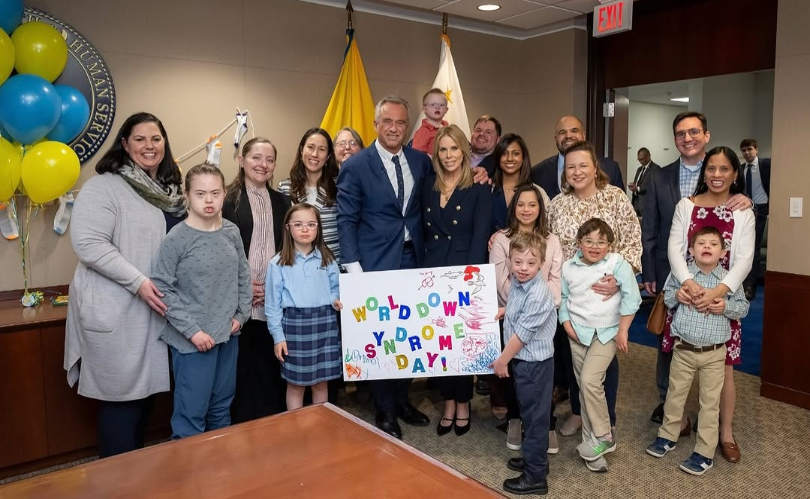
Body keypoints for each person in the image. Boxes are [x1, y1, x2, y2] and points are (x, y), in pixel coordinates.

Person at [65, 112, 186, 457]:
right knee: (122, 401)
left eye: (156, 138)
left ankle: (134, 481)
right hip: (116, 309)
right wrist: (139, 282)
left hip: (153, 310)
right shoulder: (104, 186)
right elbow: (88, 243)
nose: (150, 146)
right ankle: (116, 483)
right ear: (124, 144)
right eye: (140, 139)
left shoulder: (167, 191)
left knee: (144, 399)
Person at [642, 112, 752, 426]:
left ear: (706, 135)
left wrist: (745, 200)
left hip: (718, 276)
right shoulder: (659, 176)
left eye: (693, 132)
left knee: (717, 350)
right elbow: (651, 226)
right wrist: (650, 271)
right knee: (669, 342)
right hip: (673, 274)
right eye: (680, 133)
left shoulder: (721, 173)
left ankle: (711, 417)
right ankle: (669, 404)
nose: (687, 138)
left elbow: (740, 230)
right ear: (674, 138)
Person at [337, 95, 433, 438]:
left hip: (414, 260)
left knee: (409, 337)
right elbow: (346, 219)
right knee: (382, 339)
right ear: (376, 125)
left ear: (407, 127)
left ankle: (402, 398)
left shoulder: (421, 162)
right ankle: (384, 407)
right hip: (374, 265)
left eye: (400, 123)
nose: (394, 128)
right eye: (387, 122)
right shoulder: (356, 165)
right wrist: (354, 271)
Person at [546, 141, 641, 472]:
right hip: (573, 303)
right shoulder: (557, 204)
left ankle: (606, 426)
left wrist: (620, 277)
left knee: (600, 373)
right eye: (570, 167)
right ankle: (585, 425)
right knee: (577, 370)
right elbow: (545, 244)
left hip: (605, 302)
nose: (576, 172)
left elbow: (631, 238)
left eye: (582, 165)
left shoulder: (614, 197)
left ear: (594, 166)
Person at [665, 145, 755, 463]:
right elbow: (676, 249)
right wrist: (688, 284)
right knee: (683, 366)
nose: (717, 175)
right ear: (704, 172)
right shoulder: (686, 205)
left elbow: (744, 259)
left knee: (724, 371)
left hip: (724, 299)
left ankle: (724, 433)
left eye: (724, 169)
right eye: (711, 169)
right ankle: (676, 425)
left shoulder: (743, 210)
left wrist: (719, 292)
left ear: (734, 174)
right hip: (688, 295)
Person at [151, 163, 251, 439]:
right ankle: (190, 478)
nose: (209, 200)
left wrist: (241, 316)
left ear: (223, 195)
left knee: (221, 410)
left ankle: (217, 476)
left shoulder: (231, 231)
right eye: (201, 194)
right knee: (191, 416)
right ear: (187, 196)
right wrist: (193, 332)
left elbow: (243, 274)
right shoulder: (178, 238)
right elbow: (162, 287)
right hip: (193, 341)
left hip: (227, 334)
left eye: (215, 193)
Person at [647, 226, 749, 476]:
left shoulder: (728, 281)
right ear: (691, 250)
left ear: (723, 252)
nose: (707, 247)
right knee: (675, 395)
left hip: (714, 353)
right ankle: (668, 435)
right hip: (683, 349)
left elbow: (743, 308)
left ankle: (704, 452)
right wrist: (678, 296)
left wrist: (725, 306)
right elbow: (667, 298)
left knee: (709, 403)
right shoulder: (682, 275)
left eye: (713, 244)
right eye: (701, 243)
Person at [421, 124, 491, 437]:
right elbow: (423, 233)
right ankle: (447, 401)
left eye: (454, 148)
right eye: (443, 149)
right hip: (433, 272)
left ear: (464, 151)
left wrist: (472, 282)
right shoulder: (428, 185)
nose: (449, 155)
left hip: (464, 273)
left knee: (463, 343)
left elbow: (480, 236)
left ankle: (463, 403)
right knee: (440, 342)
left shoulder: (478, 189)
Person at [559, 218, 641, 471]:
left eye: (601, 242)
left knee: (589, 381)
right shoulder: (568, 267)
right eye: (589, 241)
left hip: (606, 334)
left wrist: (623, 331)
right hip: (577, 333)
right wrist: (566, 324)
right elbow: (563, 298)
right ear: (579, 243)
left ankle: (605, 435)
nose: (595, 247)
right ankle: (592, 450)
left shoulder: (617, 264)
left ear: (610, 245)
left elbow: (633, 298)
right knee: (585, 391)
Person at [489, 183, 562, 452]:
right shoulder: (501, 239)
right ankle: (518, 423)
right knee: (517, 382)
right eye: (521, 204)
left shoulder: (552, 239)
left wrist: (539, 303)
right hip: (511, 312)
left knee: (539, 387)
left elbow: (556, 279)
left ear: (540, 208)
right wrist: (515, 306)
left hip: (541, 317)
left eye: (532, 204)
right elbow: (502, 281)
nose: (526, 209)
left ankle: (541, 435)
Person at [223, 137, 292, 423]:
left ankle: (270, 424)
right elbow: (219, 249)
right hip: (238, 298)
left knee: (269, 365)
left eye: (270, 159)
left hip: (273, 298)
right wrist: (242, 285)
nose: (263, 165)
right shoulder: (227, 199)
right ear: (241, 160)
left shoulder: (283, 201)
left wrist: (275, 288)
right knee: (241, 368)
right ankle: (242, 428)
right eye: (256, 158)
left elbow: (289, 249)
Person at [490, 232, 557, 496]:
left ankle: (535, 476)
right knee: (530, 413)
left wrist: (502, 360)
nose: (523, 268)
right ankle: (534, 459)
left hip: (534, 364)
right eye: (517, 262)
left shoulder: (539, 292)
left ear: (541, 262)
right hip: (524, 362)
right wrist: (507, 310)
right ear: (509, 260)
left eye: (530, 264)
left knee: (535, 418)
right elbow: (520, 309)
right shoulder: (520, 283)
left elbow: (523, 335)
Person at [265, 203, 343, 410]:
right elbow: (272, 306)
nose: (305, 229)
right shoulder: (278, 263)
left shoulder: (328, 259)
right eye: (298, 224)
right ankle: (296, 430)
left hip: (325, 325)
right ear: (288, 228)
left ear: (318, 228)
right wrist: (278, 338)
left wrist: (335, 299)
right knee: (296, 385)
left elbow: (336, 289)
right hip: (294, 327)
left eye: (311, 224)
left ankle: (321, 426)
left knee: (321, 382)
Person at [278, 128, 341, 264]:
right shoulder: (285, 187)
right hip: (297, 268)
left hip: (333, 267)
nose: (315, 154)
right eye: (310, 147)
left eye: (322, 149)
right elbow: (283, 232)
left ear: (329, 156)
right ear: (301, 151)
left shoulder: (339, 186)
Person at [531, 116, 625, 199]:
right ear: (556, 138)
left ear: (583, 135)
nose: (568, 136)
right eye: (562, 132)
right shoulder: (538, 172)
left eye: (574, 131)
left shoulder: (611, 168)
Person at [490, 133, 551, 233]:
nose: (510, 158)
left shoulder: (537, 191)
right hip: (489, 248)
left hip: (528, 246)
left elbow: (546, 227)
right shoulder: (488, 190)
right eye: (504, 154)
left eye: (516, 153)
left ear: (523, 158)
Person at [739, 138, 771, 299]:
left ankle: (750, 286)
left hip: (762, 208)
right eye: (744, 150)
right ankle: (741, 284)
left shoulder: (767, 165)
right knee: (742, 247)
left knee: (755, 247)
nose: (746, 153)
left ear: (756, 150)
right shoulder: (741, 169)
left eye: (749, 149)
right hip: (745, 210)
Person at [412, 88, 448, 155]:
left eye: (441, 105)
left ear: (446, 109)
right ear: (424, 109)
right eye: (432, 105)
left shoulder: (449, 129)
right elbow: (417, 157)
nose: (437, 107)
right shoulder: (422, 133)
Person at [630, 147, 657, 216]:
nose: (640, 161)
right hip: (636, 205)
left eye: (642, 159)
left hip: (647, 206)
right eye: (638, 159)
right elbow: (637, 184)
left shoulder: (656, 169)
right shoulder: (639, 169)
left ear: (648, 156)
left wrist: (638, 188)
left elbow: (653, 187)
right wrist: (633, 185)